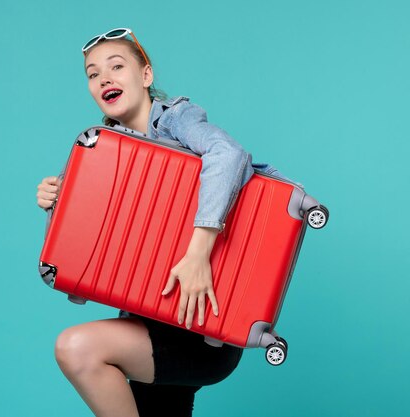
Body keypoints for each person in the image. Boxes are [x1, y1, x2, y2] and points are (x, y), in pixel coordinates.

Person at [36, 28, 254, 417]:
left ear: (146, 76)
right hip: (146, 324)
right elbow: (82, 280)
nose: (104, 78)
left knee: (77, 347)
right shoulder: (99, 153)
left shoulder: (175, 119)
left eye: (116, 66)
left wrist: (198, 254)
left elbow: (229, 154)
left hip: (202, 329)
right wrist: (59, 207)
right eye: (92, 73)